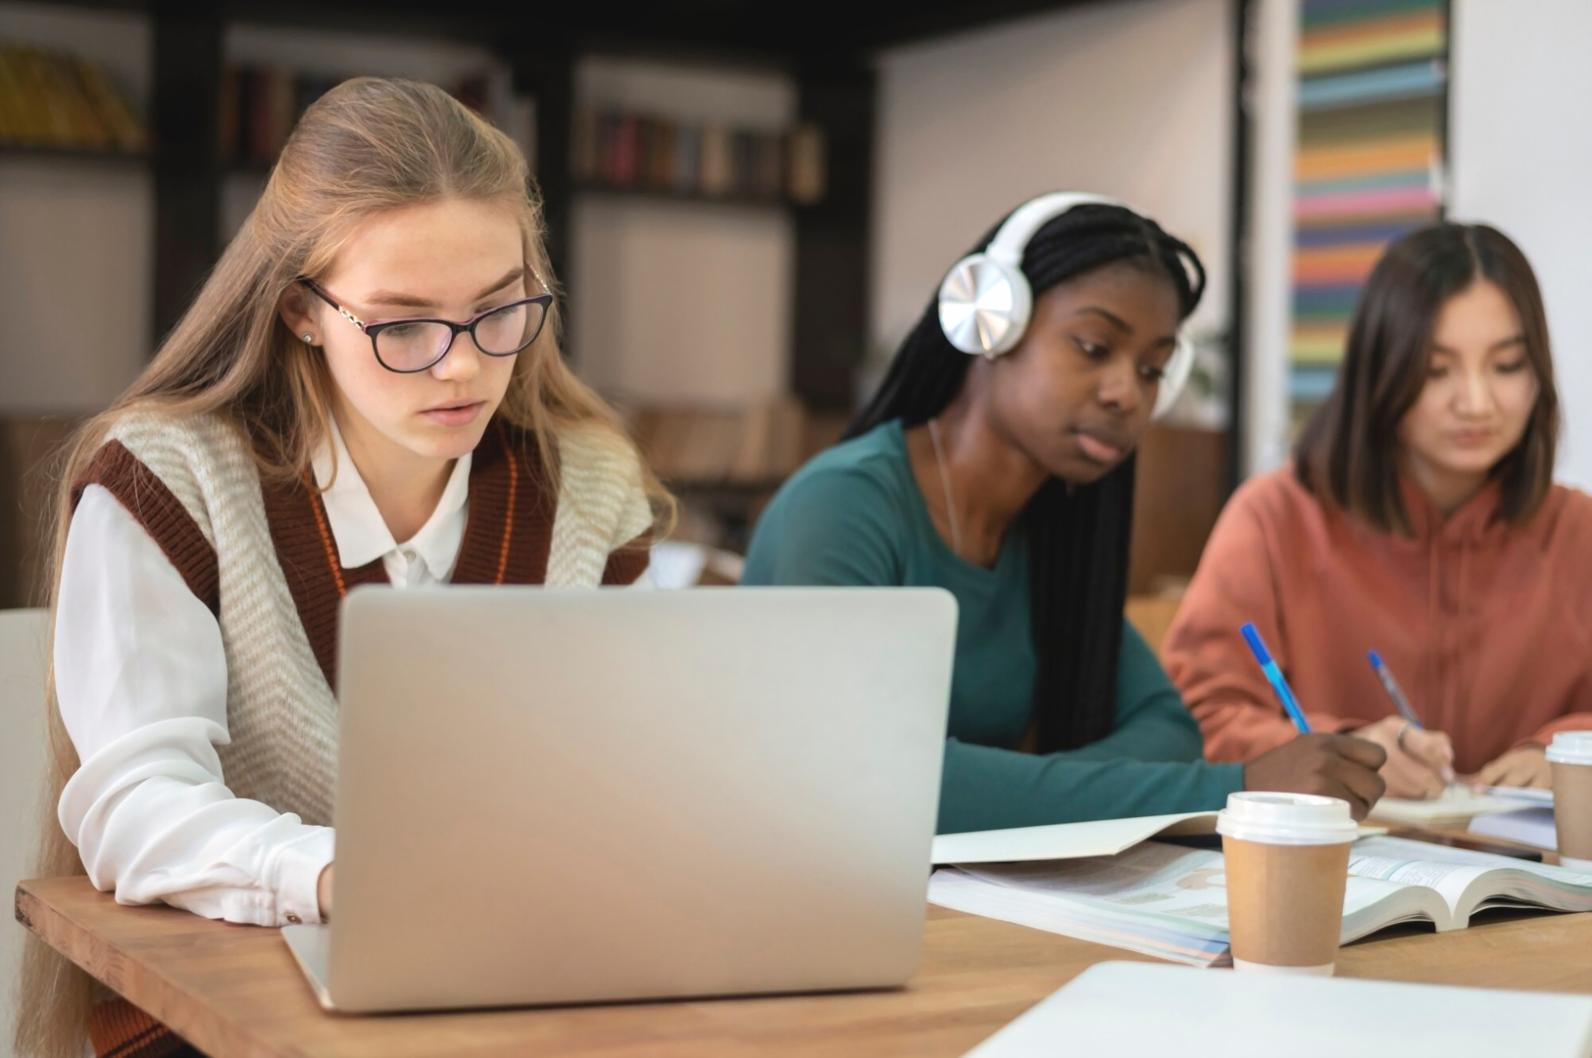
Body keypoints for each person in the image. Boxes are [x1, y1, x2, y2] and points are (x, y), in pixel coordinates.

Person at [18, 77, 668, 1058]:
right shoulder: (169, 479)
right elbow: (133, 806)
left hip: (516, 994)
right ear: (300, 312)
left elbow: (624, 780)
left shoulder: (589, 485)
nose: (461, 365)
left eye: (498, 310)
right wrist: (343, 873)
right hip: (224, 1007)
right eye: (402, 324)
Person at [742, 192, 1386, 835]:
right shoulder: (842, 507)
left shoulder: (1049, 534)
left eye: (1152, 369)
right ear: (991, 321)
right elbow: (870, 777)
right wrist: (1237, 790)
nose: (1126, 393)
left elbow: (1167, 727)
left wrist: (1017, 792)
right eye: (1092, 346)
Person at [1164, 222, 1592, 798]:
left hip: (1524, 878)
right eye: (1437, 370)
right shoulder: (1276, 518)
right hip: (1339, 870)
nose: (1476, 402)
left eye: (1507, 365)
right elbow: (1197, 717)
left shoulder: (1577, 532)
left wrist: (1562, 754)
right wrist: (1342, 753)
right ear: (1380, 371)